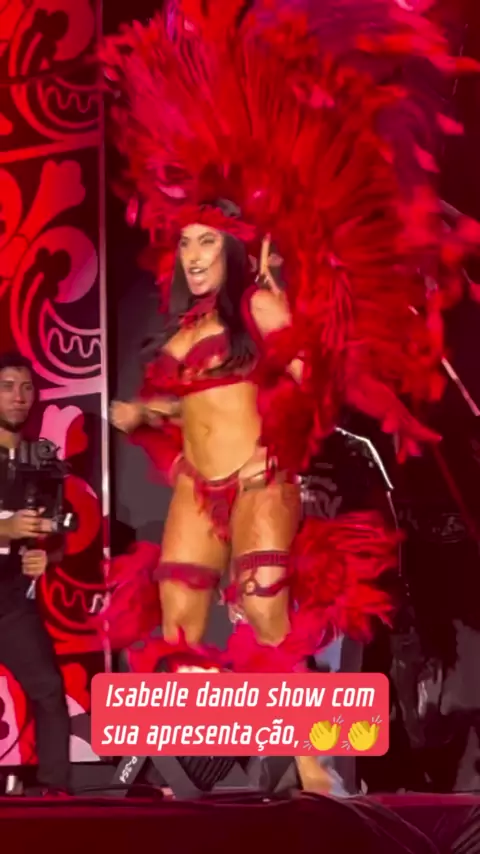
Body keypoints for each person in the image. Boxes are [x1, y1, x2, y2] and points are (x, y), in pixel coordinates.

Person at [101, 0, 479, 793]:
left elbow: (310, 383)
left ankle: (314, 768)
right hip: (195, 488)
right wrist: (145, 413)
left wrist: (284, 421)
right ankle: (183, 766)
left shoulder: (263, 308)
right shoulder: (188, 330)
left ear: (233, 251)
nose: (192, 255)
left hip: (257, 481)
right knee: (176, 617)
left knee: (268, 614)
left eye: (207, 242)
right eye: (186, 242)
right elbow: (185, 403)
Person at [0, 352, 71, 795]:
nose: (18, 397)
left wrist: (47, 555)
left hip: (9, 602)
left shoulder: (41, 462)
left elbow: (56, 532)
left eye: (27, 388)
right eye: (8, 386)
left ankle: (57, 796)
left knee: (48, 690)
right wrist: (4, 529)